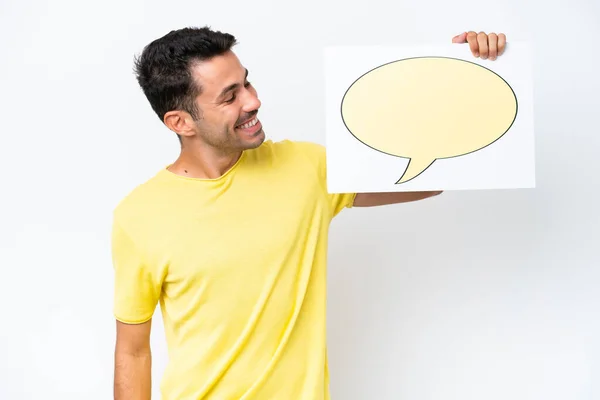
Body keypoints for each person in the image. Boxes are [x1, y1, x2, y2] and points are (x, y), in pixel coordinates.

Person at [111, 27, 508, 399]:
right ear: (180, 122)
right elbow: (133, 352)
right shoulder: (139, 216)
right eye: (229, 96)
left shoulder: (307, 168)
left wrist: (462, 73)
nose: (253, 100)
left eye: (246, 81)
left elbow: (429, 177)